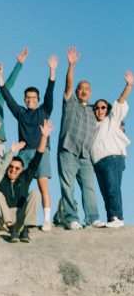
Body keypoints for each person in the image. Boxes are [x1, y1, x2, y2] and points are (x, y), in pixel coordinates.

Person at [0, 55, 57, 231]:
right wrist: (0, 77)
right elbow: (8, 98)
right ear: (24, 99)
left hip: (41, 151)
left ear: (37, 99)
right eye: (27, 97)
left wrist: (52, 70)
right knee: (20, 185)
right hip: (24, 154)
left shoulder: (44, 111)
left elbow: (50, 92)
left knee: (42, 185)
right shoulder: (21, 113)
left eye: (33, 97)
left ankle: (47, 219)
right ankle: (15, 218)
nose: (30, 99)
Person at [55, 47, 99, 229]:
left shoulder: (94, 111)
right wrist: (71, 66)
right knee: (68, 185)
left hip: (85, 155)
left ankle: (92, 218)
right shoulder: (70, 102)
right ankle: (72, 217)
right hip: (68, 150)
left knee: (89, 187)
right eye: (81, 89)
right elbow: (68, 86)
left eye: (87, 89)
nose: (83, 91)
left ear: (90, 93)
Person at [0, 121, 53, 242]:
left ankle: (25, 229)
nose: (13, 170)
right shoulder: (0, 177)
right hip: (3, 221)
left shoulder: (24, 178)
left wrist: (44, 137)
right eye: (11, 167)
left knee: (35, 193)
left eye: (17, 168)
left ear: (21, 170)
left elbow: (38, 157)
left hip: (20, 218)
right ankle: (11, 229)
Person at [91, 70, 132, 228]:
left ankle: (117, 217)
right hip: (98, 162)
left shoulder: (112, 120)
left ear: (107, 109)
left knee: (112, 188)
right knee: (105, 192)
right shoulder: (93, 126)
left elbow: (120, 102)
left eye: (103, 107)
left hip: (112, 158)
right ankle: (112, 218)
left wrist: (128, 86)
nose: (100, 110)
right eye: (96, 108)